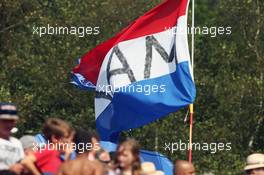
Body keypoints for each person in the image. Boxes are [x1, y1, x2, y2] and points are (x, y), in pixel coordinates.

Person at [0, 103, 24, 175]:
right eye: (4, 120)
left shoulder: (17, 143)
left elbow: (22, 164)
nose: (8, 124)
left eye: (11, 121)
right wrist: (8, 171)